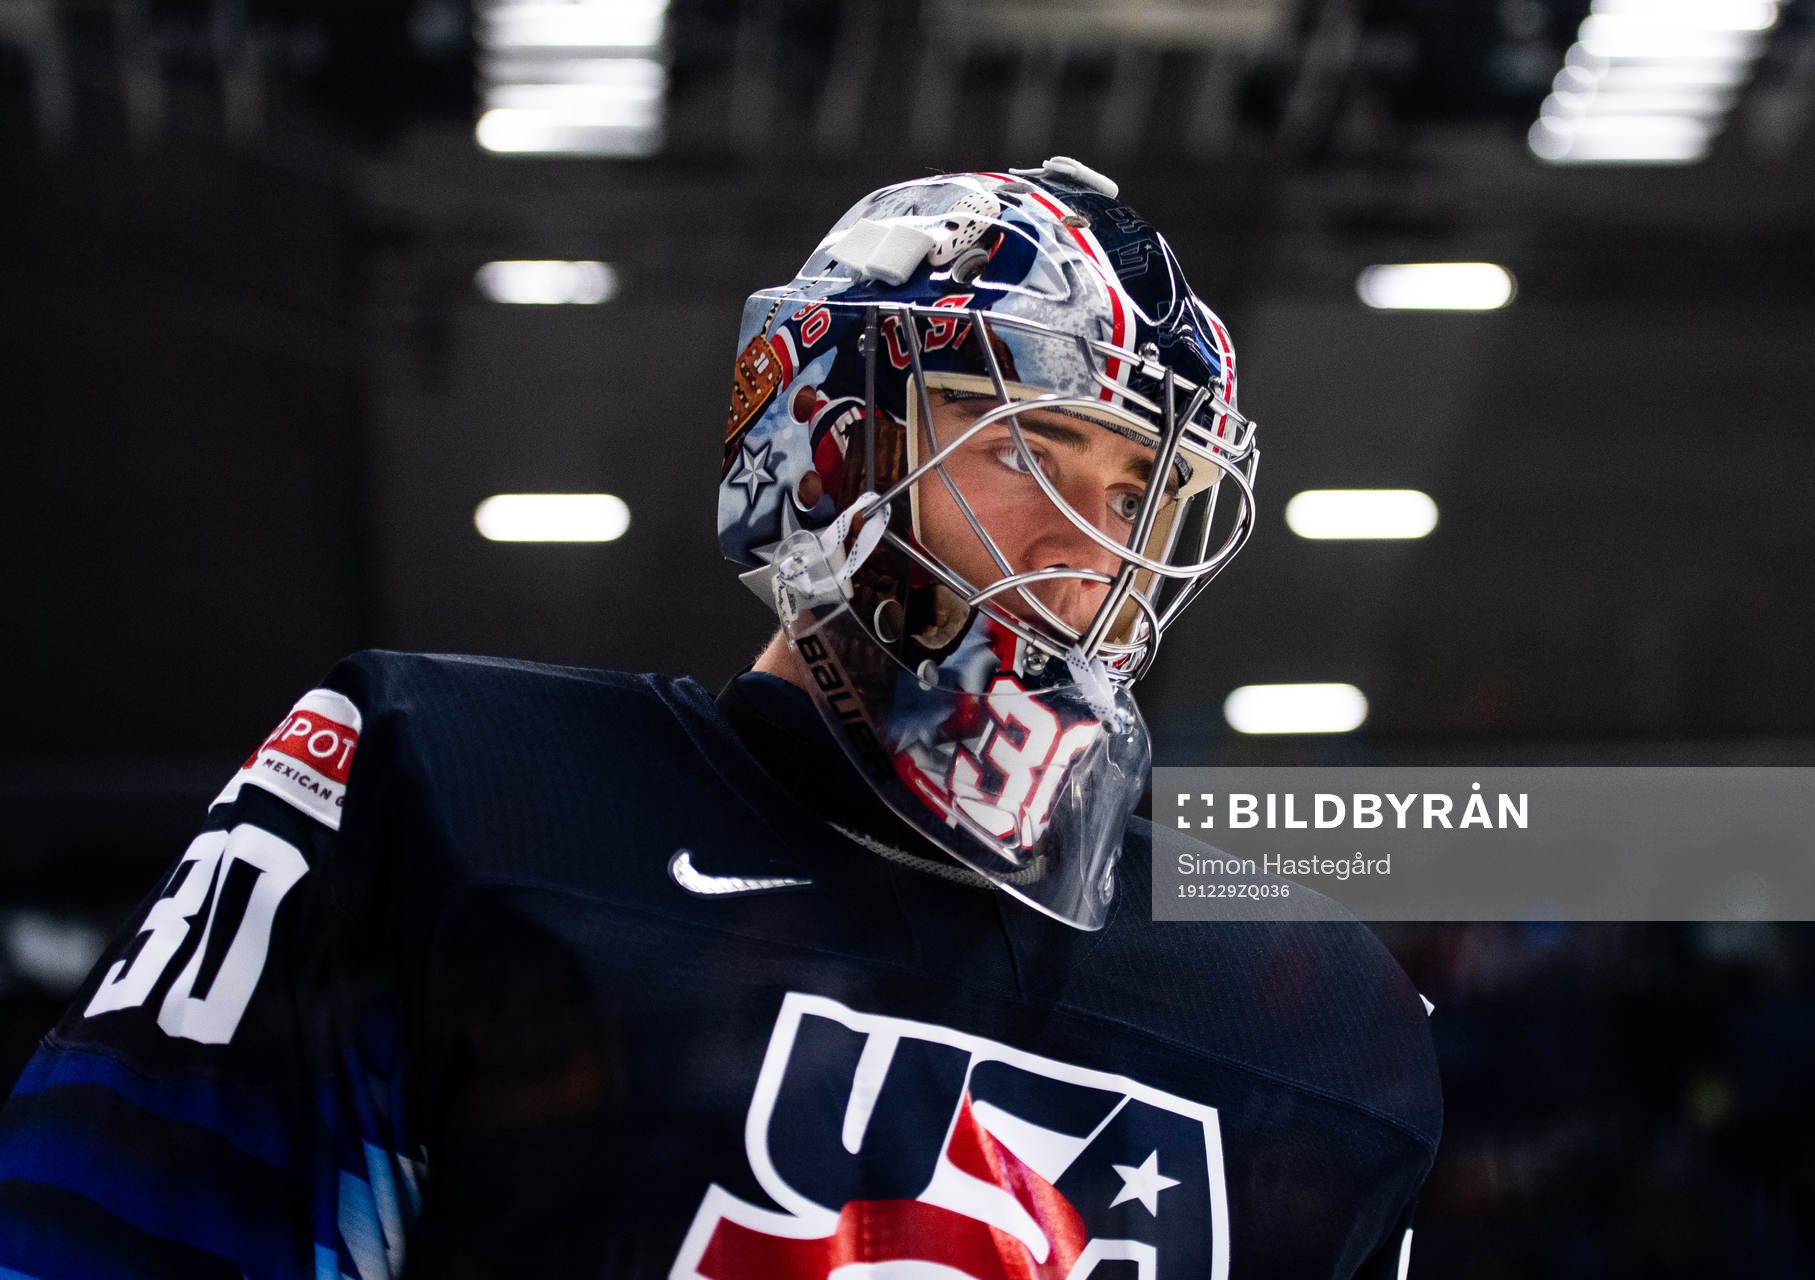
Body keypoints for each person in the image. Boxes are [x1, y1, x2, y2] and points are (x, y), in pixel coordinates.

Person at [0, 158, 1440, 1278]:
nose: (1091, 542)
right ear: (829, 435)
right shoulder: (454, 786)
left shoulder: (1322, 1025)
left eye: (1143, 493)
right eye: (1027, 444)